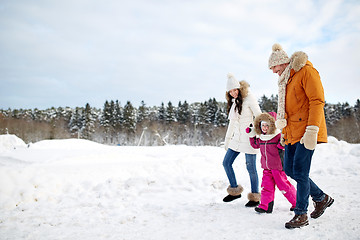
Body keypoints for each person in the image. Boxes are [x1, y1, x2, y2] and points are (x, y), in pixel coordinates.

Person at [268, 43, 334, 229]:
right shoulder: (286, 80)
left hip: (306, 132)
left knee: (301, 172)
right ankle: (321, 198)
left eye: (274, 66)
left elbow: (317, 101)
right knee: (289, 169)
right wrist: (284, 132)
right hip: (292, 133)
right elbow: (289, 110)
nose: (273, 71)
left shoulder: (306, 71)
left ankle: (301, 214)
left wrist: (312, 130)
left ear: (282, 62)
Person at [222, 73, 262, 207]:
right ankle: (234, 191)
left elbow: (259, 116)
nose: (233, 93)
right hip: (236, 140)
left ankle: (255, 197)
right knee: (226, 163)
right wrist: (227, 140)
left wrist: (256, 132)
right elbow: (232, 123)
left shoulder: (249, 98)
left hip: (249, 138)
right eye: (230, 91)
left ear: (239, 88)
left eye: (235, 90)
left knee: (251, 168)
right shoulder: (233, 103)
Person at [246, 112, 296, 214]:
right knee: (266, 186)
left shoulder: (277, 136)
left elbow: (285, 145)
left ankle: (297, 203)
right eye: (262, 125)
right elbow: (255, 145)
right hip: (266, 167)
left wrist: (282, 144)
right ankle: (265, 206)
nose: (264, 128)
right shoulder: (261, 137)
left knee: (284, 186)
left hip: (277, 167)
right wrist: (251, 135)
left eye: (267, 125)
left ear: (272, 126)